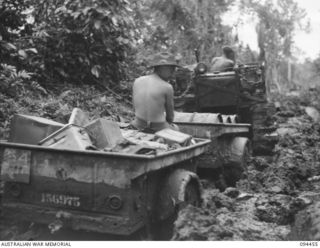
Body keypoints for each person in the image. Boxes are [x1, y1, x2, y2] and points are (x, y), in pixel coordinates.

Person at [131, 52, 179, 133]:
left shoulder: (137, 81)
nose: (173, 71)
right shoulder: (167, 87)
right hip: (158, 127)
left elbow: (135, 108)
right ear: (162, 68)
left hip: (138, 125)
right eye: (171, 68)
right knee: (176, 128)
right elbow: (170, 118)